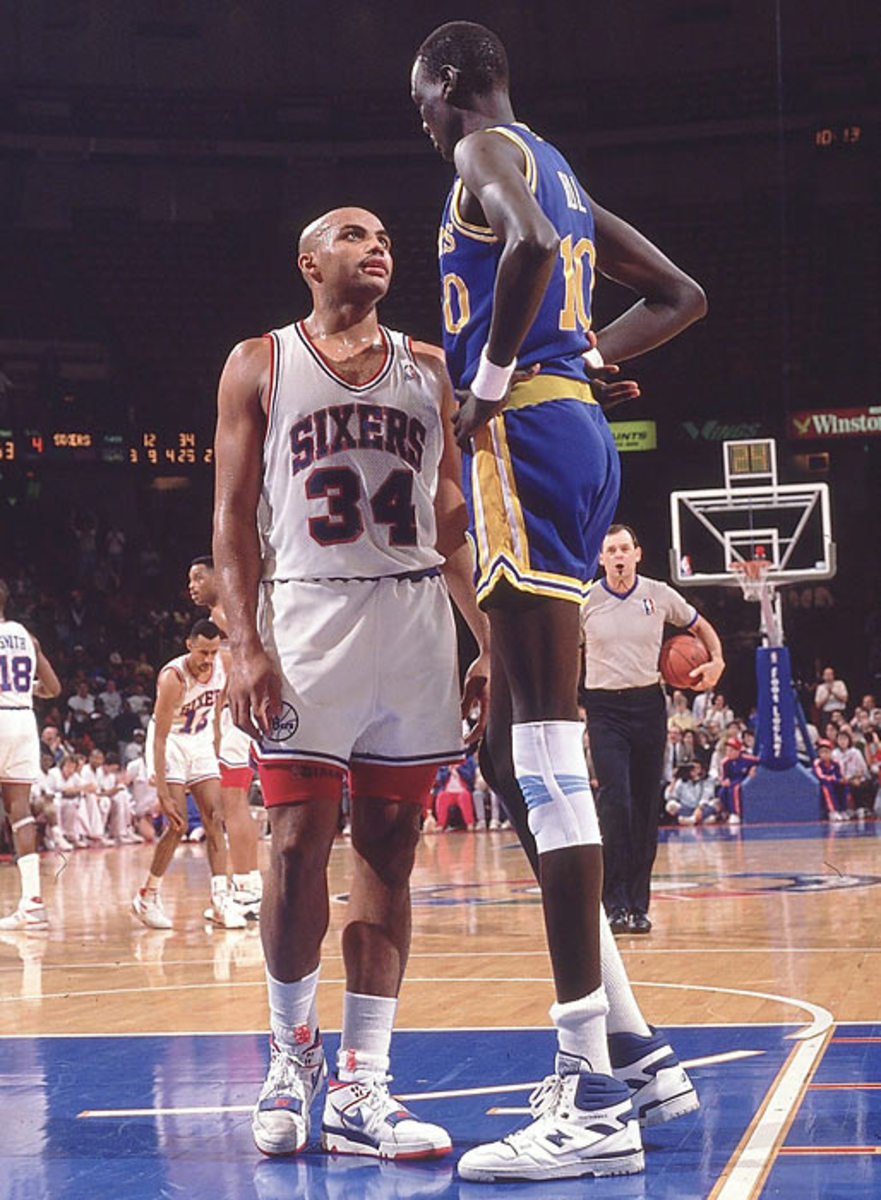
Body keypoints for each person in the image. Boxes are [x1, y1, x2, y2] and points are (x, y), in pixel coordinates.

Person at [411, 21, 707, 1182]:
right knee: (506, 757)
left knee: (541, 755)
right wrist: (584, 353)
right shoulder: (563, 167)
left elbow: (525, 243)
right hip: (569, 426)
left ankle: (585, 1094)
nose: (423, 123)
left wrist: (485, 388)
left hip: (522, 440)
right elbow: (679, 294)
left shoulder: (487, 155)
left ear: (447, 87)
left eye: (421, 102)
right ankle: (632, 1047)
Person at [212, 205, 489, 1161]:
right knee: (294, 844)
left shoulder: (432, 368)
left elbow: (452, 516)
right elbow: (234, 517)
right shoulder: (260, 361)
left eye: (384, 238)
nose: (377, 246)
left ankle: (363, 1085)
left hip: (412, 617)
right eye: (353, 234)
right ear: (308, 262)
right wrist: (244, 643)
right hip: (307, 611)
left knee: (390, 846)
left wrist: (483, 633)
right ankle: (292, 1056)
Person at [582, 525, 724, 933]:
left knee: (645, 806)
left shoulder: (659, 594)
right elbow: (568, 654)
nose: (619, 555)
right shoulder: (585, 600)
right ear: (601, 559)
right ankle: (613, 904)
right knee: (615, 802)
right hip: (604, 708)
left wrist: (716, 659)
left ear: (638, 553)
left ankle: (638, 906)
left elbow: (702, 627)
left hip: (648, 704)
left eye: (625, 548)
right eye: (611, 550)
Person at [131, 619, 246, 930]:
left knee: (215, 816)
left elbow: (219, 710)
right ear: (189, 645)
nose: (207, 659)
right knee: (178, 823)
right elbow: (159, 737)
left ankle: (220, 900)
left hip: (200, 740)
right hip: (171, 743)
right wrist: (162, 792)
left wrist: (217, 751)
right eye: (202, 652)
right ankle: (147, 895)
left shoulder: (224, 662)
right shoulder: (173, 677)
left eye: (212, 651)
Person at [188, 555, 262, 917]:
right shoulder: (226, 610)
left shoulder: (226, 610)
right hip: (234, 714)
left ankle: (249, 887)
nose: (192, 586)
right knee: (232, 802)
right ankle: (246, 884)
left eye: (199, 577)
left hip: (234, 715)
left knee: (233, 802)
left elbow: (238, 663)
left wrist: (215, 722)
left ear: (219, 576)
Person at [0, 577, 62, 930]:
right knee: (20, 812)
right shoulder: (27, 636)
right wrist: (26, 690)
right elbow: (53, 688)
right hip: (23, 720)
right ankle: (32, 904)